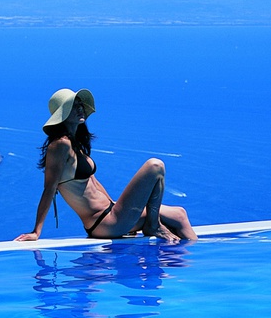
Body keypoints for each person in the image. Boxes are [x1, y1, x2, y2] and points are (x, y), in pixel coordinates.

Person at [14, 88, 197, 243]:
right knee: (155, 166)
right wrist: (36, 231)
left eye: (80, 105)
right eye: (73, 106)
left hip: (112, 213)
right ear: (63, 114)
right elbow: (49, 188)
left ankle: (191, 266)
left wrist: (119, 208)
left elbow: (92, 183)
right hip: (104, 222)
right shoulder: (60, 145)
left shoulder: (74, 143)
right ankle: (153, 225)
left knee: (179, 214)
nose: (80, 109)